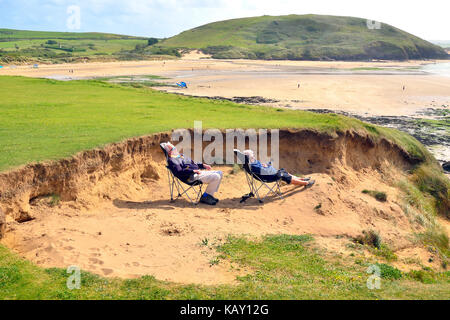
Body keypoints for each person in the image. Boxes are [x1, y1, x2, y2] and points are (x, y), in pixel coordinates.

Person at [243, 150, 315, 187]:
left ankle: (301, 179)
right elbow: (265, 171)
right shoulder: (253, 166)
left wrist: (266, 164)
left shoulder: (252, 162)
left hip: (271, 173)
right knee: (284, 176)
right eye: (252, 155)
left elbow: (262, 167)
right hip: (269, 177)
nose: (254, 156)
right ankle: (306, 183)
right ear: (248, 157)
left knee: (283, 171)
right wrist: (267, 166)